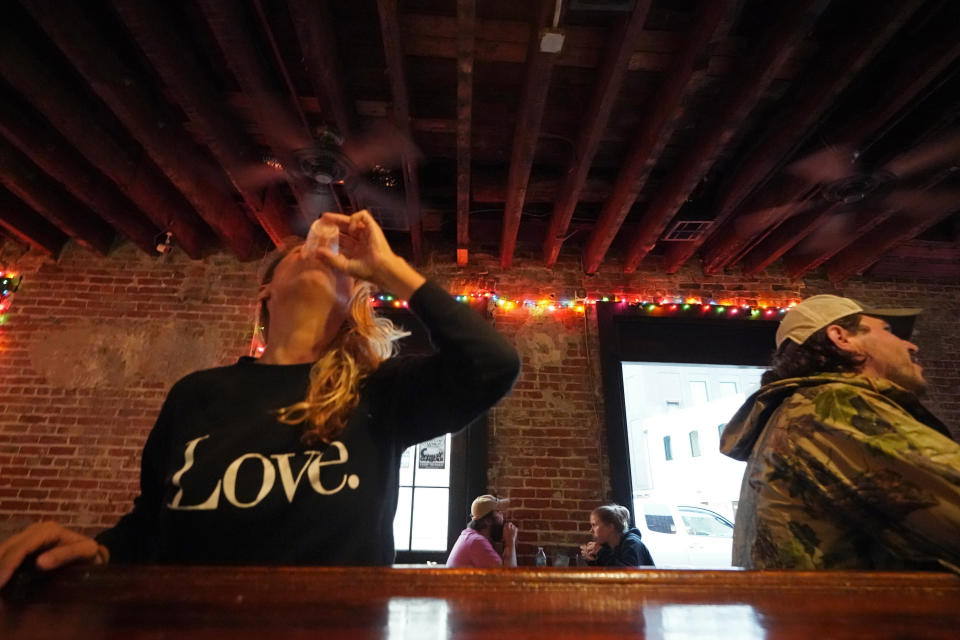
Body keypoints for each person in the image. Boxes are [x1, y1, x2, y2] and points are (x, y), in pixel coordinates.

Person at [0, 210, 520, 586]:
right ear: (265, 293)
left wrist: (388, 268)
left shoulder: (378, 392)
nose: (321, 256)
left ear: (353, 302)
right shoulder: (197, 394)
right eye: (300, 254)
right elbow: (153, 523)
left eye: (340, 265)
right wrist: (100, 550)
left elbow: (492, 364)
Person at [720, 294, 960, 571]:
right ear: (841, 337)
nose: (911, 345)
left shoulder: (795, 411)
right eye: (888, 330)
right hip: (864, 614)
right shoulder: (833, 407)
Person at [446, 494, 517, 568]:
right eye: (498, 511)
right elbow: (508, 577)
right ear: (487, 520)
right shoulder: (477, 541)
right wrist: (510, 541)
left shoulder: (470, 536)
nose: (502, 515)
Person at [579, 504, 654, 567]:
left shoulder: (632, 544)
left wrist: (601, 552)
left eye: (594, 525)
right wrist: (592, 560)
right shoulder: (607, 546)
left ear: (610, 527)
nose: (591, 530)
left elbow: (628, 576)